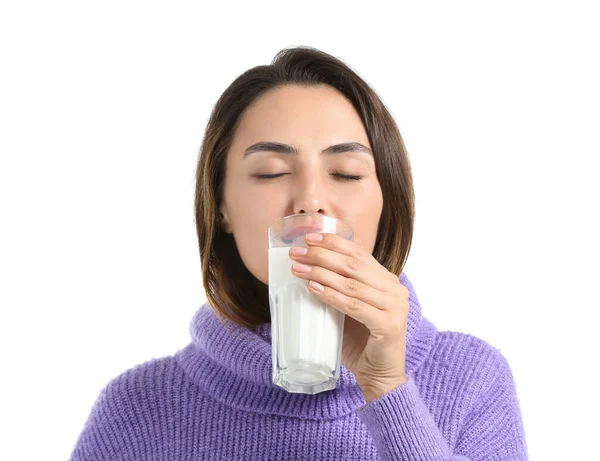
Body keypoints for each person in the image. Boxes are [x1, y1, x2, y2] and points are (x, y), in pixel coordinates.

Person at [69, 46, 528, 460]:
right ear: (221, 205)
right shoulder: (137, 409)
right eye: (271, 172)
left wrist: (386, 386)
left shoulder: (473, 381)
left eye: (346, 173)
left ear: (387, 201)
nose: (311, 199)